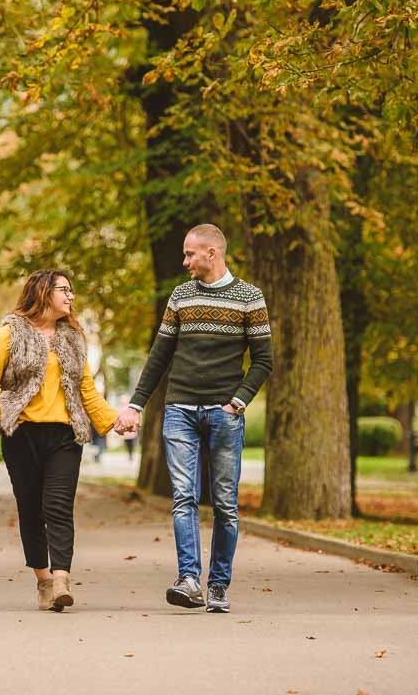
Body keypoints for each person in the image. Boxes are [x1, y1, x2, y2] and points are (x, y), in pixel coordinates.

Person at [114, 224, 272, 614]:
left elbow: (264, 360)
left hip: (224, 413)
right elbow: (160, 355)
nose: (184, 261)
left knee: (225, 503)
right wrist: (136, 404)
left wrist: (236, 402)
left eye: (190, 254)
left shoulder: (250, 298)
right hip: (180, 409)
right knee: (183, 496)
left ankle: (218, 585)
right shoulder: (181, 296)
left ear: (212, 253)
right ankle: (188, 580)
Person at [0, 269, 117, 612]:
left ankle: (61, 579)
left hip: (65, 435)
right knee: (30, 508)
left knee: (58, 506)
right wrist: (2, 418)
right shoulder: (11, 333)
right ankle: (43, 580)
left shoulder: (72, 339)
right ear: (43, 292)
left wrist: (113, 421)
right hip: (22, 434)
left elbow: (85, 389)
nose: (70, 297)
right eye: (64, 290)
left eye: (72, 291)